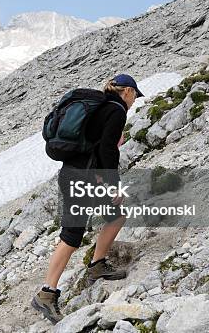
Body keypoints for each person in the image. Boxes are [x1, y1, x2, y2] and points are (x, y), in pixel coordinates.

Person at [31, 74, 143, 324]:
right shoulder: (116, 110)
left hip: (83, 175)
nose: (135, 100)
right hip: (82, 179)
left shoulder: (102, 106)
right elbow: (106, 150)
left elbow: (100, 144)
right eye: (135, 94)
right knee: (71, 235)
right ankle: (46, 294)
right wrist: (114, 185)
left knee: (117, 215)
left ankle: (97, 264)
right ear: (126, 92)